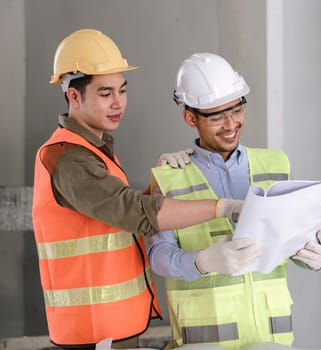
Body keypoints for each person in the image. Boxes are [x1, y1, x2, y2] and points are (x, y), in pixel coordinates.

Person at [32, 30, 243, 350]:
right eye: (105, 93)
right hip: (90, 334)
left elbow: (112, 216)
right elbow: (135, 214)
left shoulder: (92, 149)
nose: (118, 103)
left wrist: (154, 188)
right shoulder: (68, 157)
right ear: (74, 96)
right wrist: (222, 207)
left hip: (111, 329)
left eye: (122, 90)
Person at [148, 52, 321, 350]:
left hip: (270, 338)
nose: (230, 123)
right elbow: (158, 255)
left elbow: (291, 238)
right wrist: (202, 261)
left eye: (237, 110)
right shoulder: (171, 177)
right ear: (190, 117)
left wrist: (314, 256)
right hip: (205, 342)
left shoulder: (276, 164)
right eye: (217, 116)